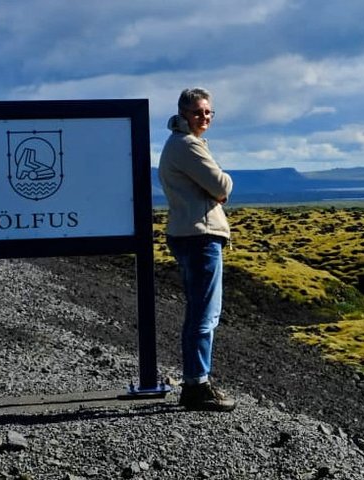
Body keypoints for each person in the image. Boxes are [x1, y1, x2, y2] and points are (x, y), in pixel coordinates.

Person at [159, 87, 235, 412]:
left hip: (189, 233)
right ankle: (197, 384)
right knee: (204, 314)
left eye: (208, 112)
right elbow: (221, 185)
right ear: (183, 113)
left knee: (199, 311)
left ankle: (197, 381)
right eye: (197, 112)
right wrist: (224, 185)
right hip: (200, 236)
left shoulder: (181, 144)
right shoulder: (188, 145)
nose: (204, 117)